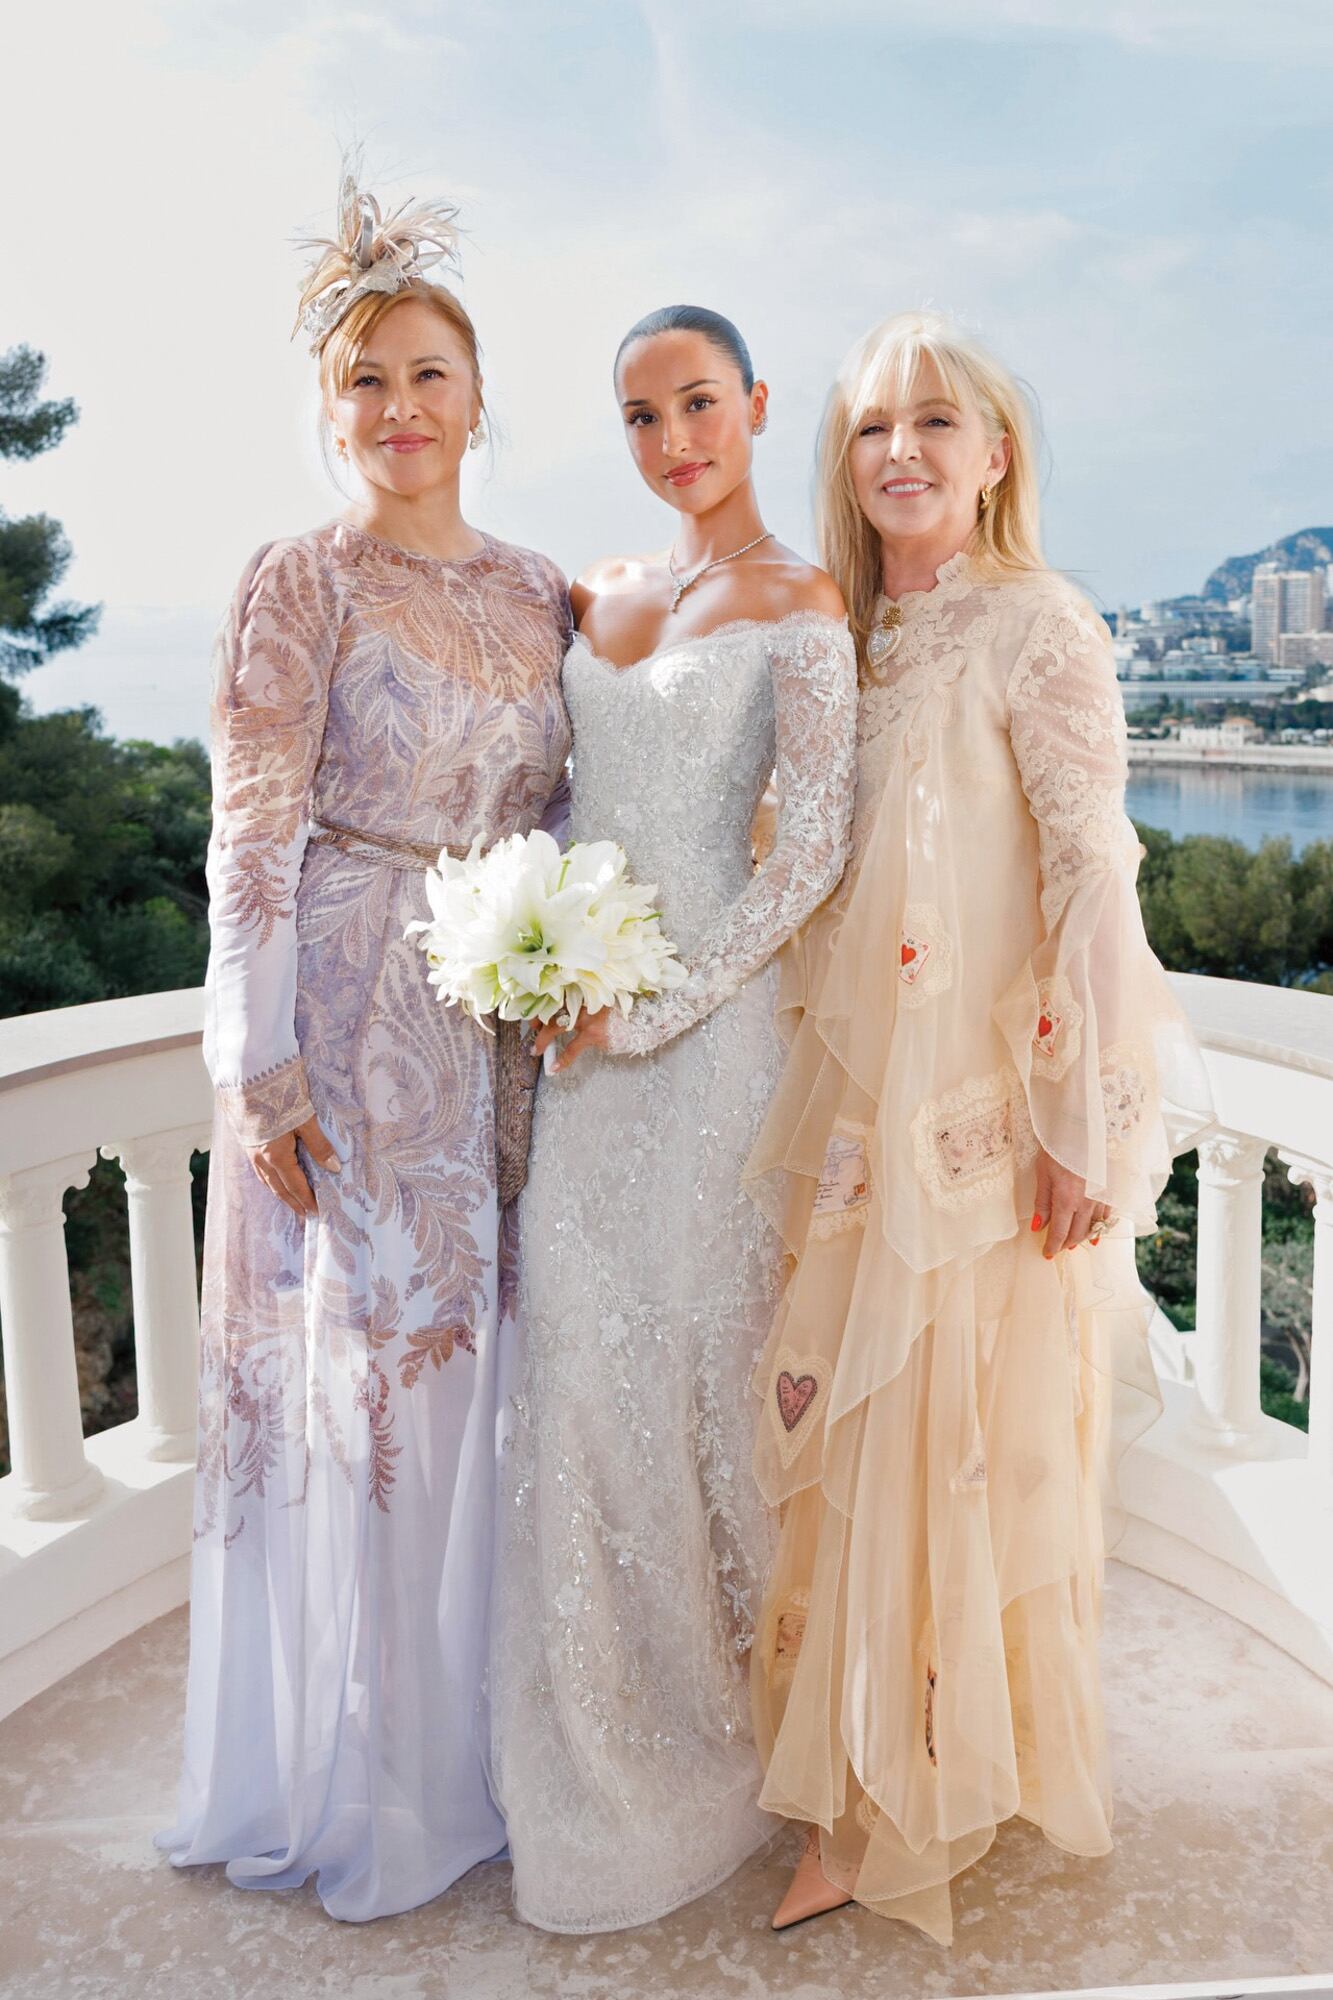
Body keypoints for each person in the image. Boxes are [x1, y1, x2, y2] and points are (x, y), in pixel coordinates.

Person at [745, 311, 1212, 1939]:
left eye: (935, 421)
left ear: (994, 457)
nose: (900, 450)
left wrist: (1081, 1119)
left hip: (983, 1121)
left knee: (953, 1439)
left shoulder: (1039, 624)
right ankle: (863, 1763)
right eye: (874, 425)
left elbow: (1092, 872)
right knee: (853, 1433)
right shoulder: (849, 637)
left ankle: (902, 1801)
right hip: (853, 1118)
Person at [156, 173, 572, 1921]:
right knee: (370, 1392)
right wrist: (253, 1065)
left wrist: (561, 961)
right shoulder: (298, 577)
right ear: (330, 413)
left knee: (481, 1389)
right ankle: (372, 1785)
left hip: (498, 1031)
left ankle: (475, 1758)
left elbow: (572, 806)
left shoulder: (543, 589)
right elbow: (249, 827)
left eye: (427, 374)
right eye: (365, 381)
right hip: (340, 1017)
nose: (399, 407)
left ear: (478, 398)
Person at [488, 306, 859, 1933]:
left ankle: (748, 1736)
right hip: (577, 1053)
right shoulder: (591, 592)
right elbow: (547, 798)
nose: (673, 441)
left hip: (708, 1049)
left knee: (708, 1378)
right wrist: (525, 949)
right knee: (580, 1374)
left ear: (756, 406)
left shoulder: (804, 603)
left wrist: (653, 1007)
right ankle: (599, 1747)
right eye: (641, 416)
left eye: (698, 403)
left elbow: (808, 857)